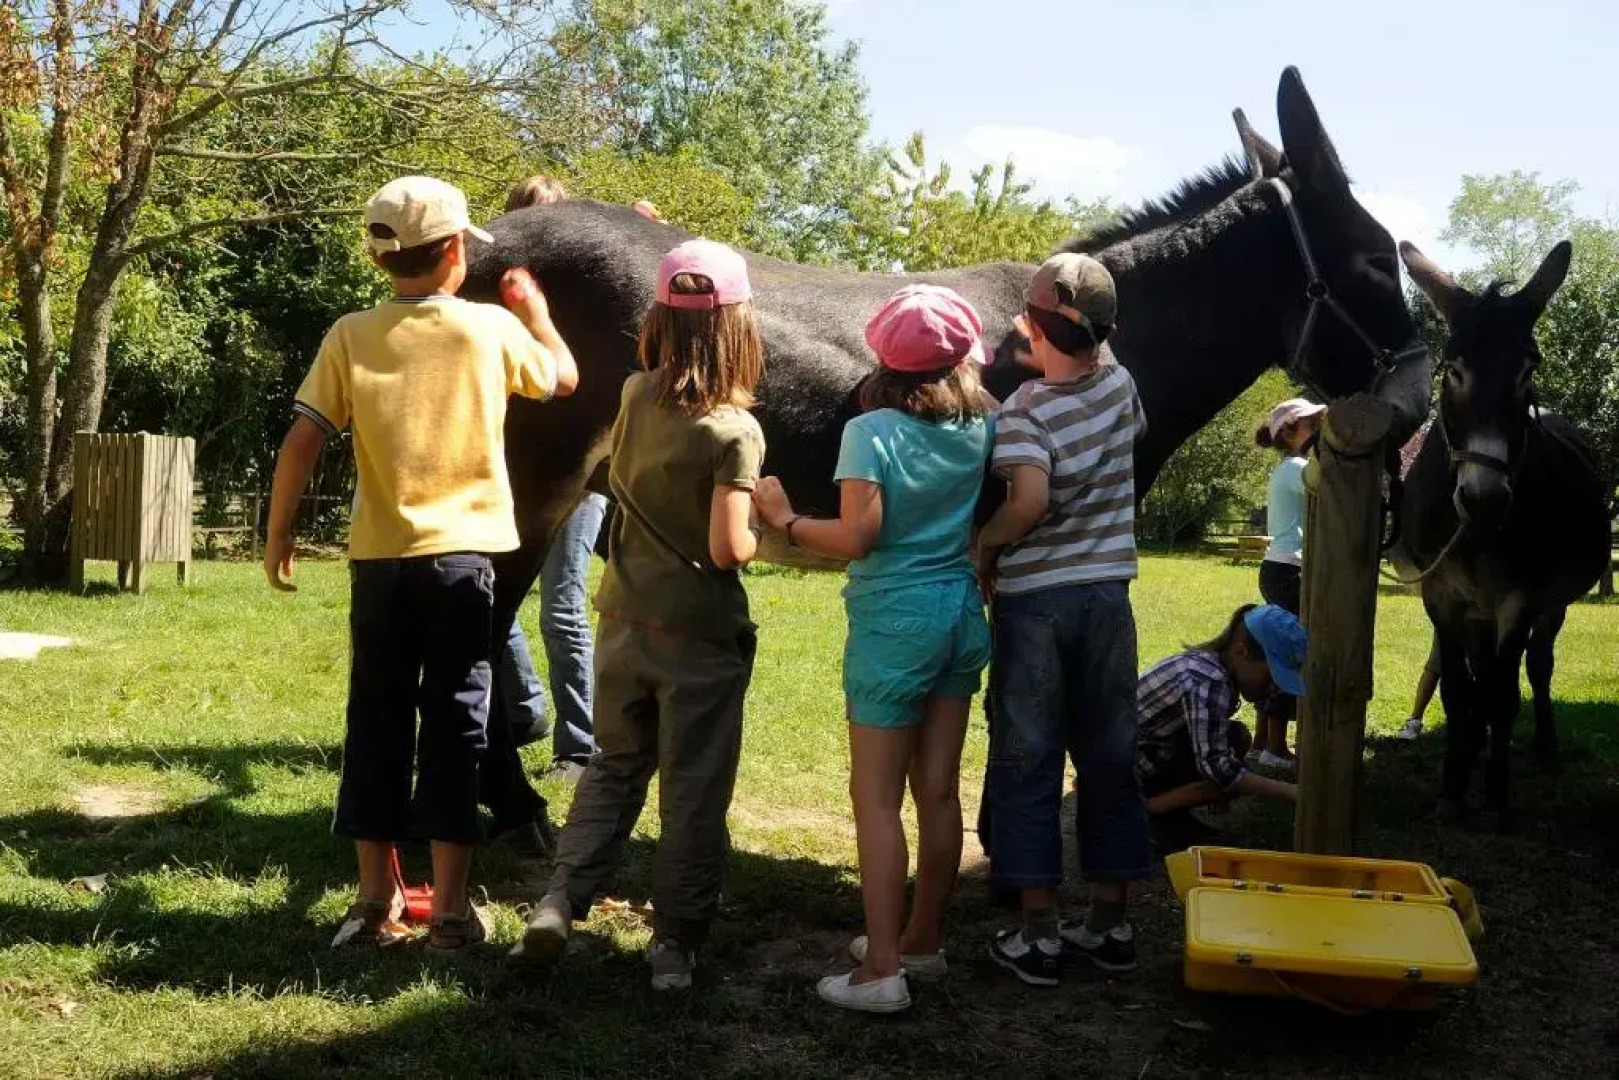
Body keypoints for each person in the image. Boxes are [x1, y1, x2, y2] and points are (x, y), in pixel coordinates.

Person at [264, 175, 578, 951]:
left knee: (374, 720)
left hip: (379, 563)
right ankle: (450, 914)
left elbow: (303, 438)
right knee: (456, 725)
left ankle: (375, 902)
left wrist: (278, 532)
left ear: (380, 260)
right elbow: (564, 378)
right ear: (456, 253)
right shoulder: (488, 329)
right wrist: (536, 313)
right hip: (463, 564)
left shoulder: (349, 334)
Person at [512, 239, 766, 992]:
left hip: (622, 621)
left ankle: (559, 901)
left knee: (613, 768)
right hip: (700, 635)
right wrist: (771, 521)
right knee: (694, 791)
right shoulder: (735, 430)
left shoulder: (632, 394)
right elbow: (729, 548)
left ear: (657, 320)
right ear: (740, 329)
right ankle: (675, 946)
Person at [751, 285, 994, 1013]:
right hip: (960, 613)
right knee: (939, 790)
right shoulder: (982, 423)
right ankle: (921, 940)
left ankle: (881, 970)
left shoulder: (871, 431)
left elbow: (858, 536)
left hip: (895, 623)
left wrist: (784, 519)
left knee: (875, 799)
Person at [974, 252, 1151, 986]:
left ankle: (1038, 932)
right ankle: (1108, 922)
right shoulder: (1121, 384)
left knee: (1029, 754)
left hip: (1036, 602)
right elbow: (1123, 418)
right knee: (1110, 753)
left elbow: (1028, 502)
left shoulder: (1024, 409)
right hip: (1107, 597)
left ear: (1033, 327)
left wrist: (985, 546)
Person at [1136, 605, 1304, 853]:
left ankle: (1166, 814)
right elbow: (1220, 771)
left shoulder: (1211, 667)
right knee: (1233, 774)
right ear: (1240, 652)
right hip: (1128, 773)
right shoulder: (1209, 680)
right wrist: (1292, 792)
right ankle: (1149, 812)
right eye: (1270, 677)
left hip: (1145, 757)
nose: (1274, 689)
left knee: (1235, 738)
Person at [1252, 397, 1326, 770]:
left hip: (1278, 568)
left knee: (1277, 651)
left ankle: (1261, 742)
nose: (1319, 429)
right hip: (1289, 571)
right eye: (1312, 423)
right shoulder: (1300, 469)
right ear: (1293, 432)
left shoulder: (1286, 468)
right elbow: (1332, 489)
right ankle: (1276, 748)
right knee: (1290, 655)